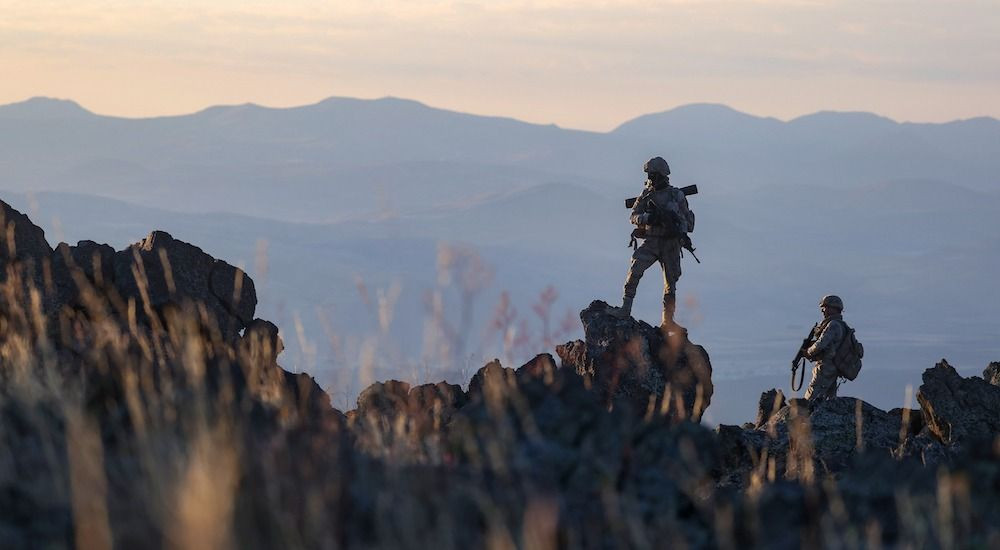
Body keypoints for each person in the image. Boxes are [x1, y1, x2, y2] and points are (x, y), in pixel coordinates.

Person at [615, 156, 695, 330]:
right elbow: (633, 217)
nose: (650, 178)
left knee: (671, 282)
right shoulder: (646, 195)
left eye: (652, 175)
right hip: (652, 241)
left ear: (661, 175)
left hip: (670, 243)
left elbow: (687, 222)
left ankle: (668, 321)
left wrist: (679, 231)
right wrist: (649, 217)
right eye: (649, 175)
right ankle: (625, 308)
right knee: (635, 269)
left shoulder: (676, 196)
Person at [803, 295, 848, 401]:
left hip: (826, 366)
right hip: (833, 367)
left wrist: (808, 352)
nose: (823, 311)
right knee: (829, 398)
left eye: (825, 307)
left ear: (834, 308)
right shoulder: (841, 325)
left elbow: (821, 344)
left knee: (812, 395)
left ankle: (803, 416)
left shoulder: (833, 325)